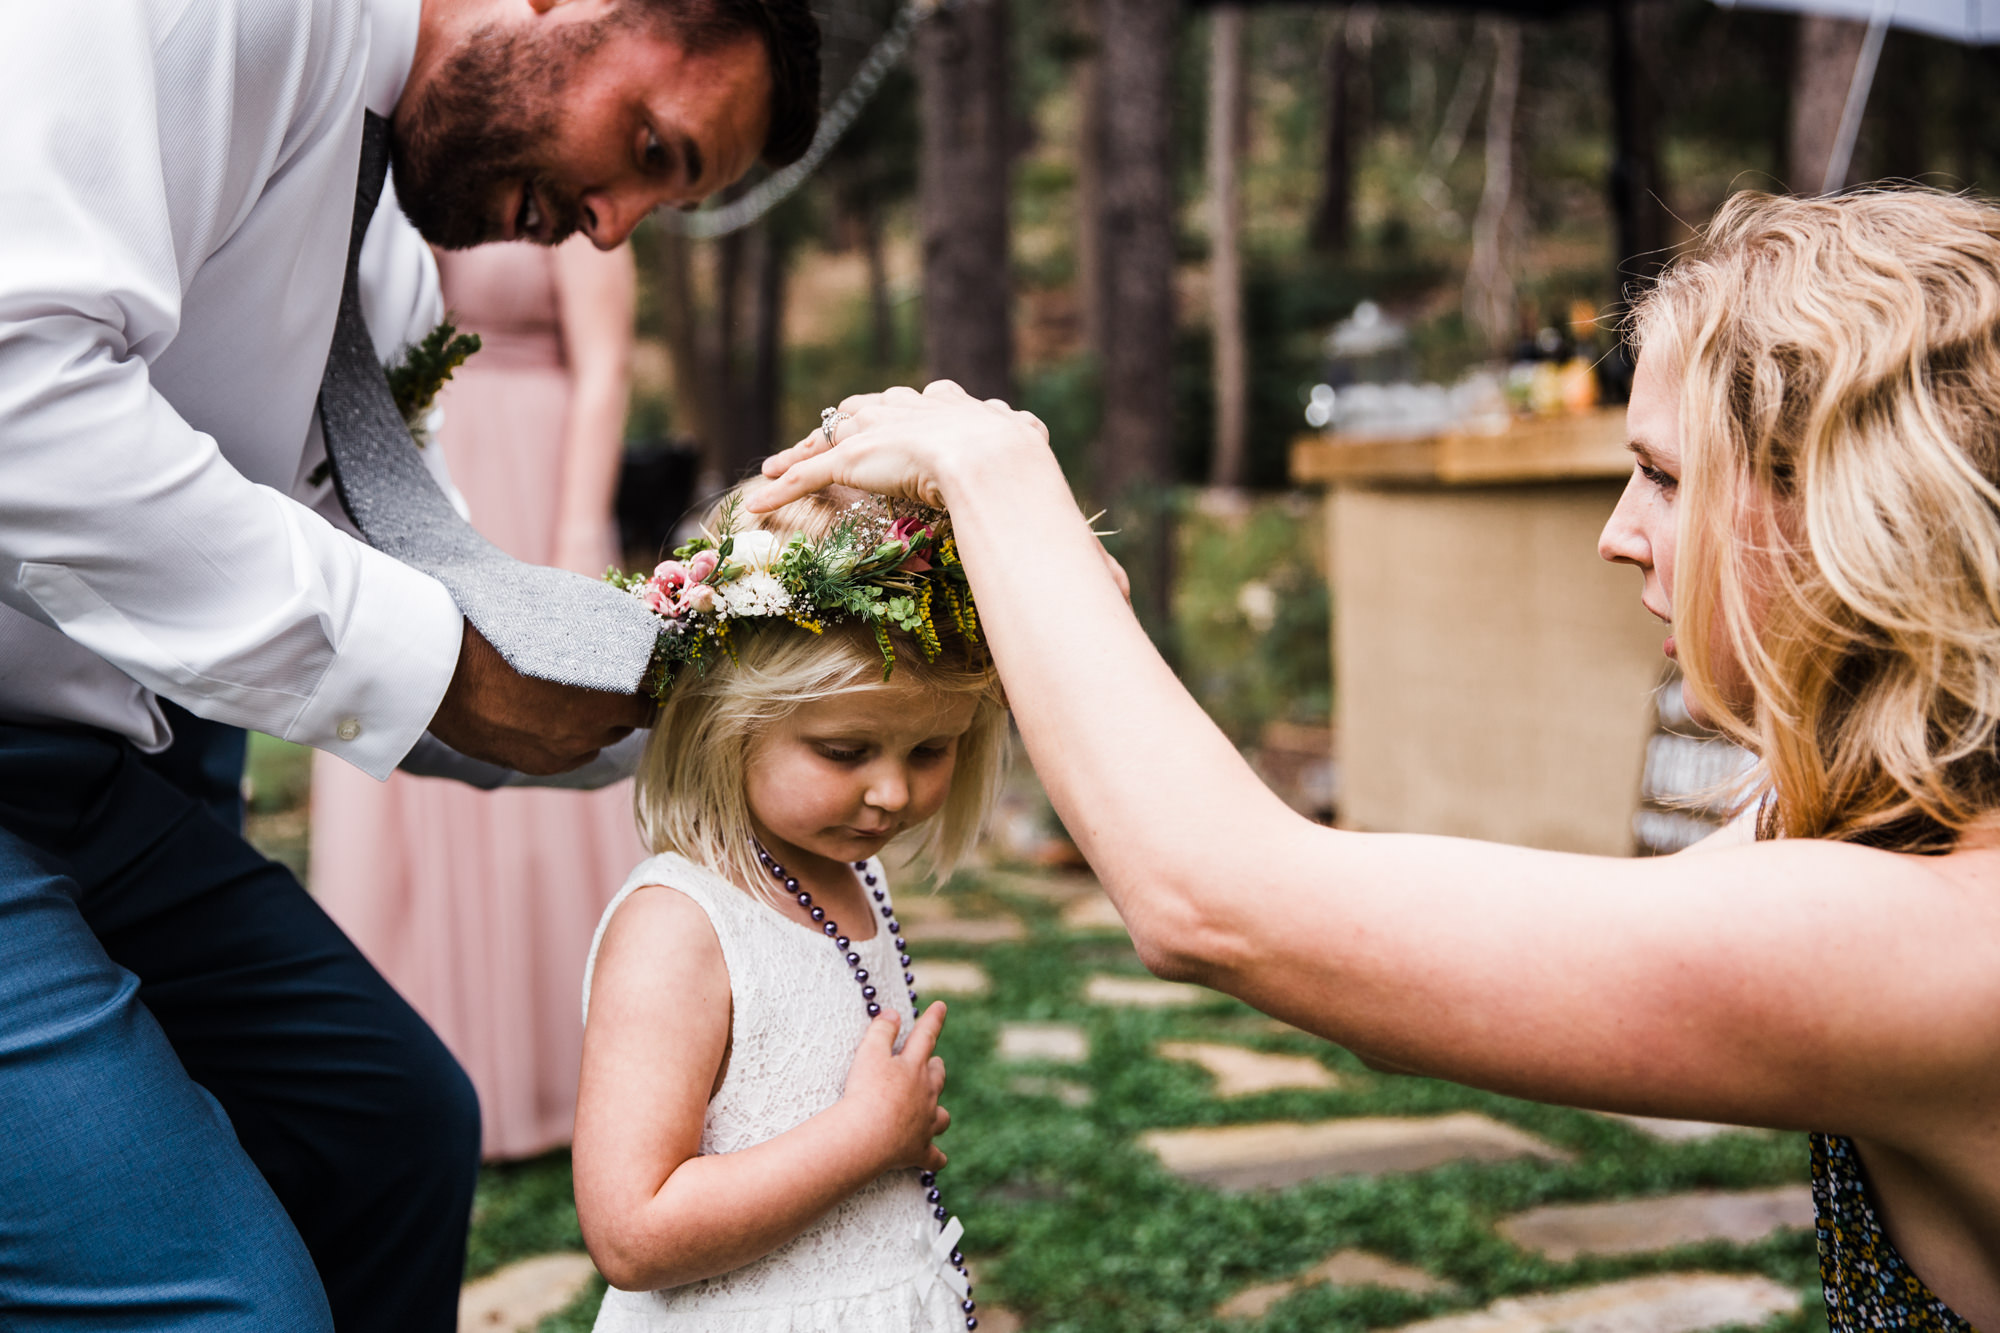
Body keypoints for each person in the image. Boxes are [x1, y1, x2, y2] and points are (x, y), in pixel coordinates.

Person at [755, 189, 2000, 1333]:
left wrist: (994, 466)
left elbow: (1225, 902)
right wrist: (1049, 598)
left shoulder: (1936, 942)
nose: (1619, 536)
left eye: (1665, 477)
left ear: (1854, 511)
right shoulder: (1887, 825)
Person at [0, 0, 818, 1326]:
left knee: (393, 1131)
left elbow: (395, 563)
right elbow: (16, 396)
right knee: (233, 1307)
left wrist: (716, 694)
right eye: (650, 147)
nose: (611, 227)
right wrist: (441, 666)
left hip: (73, 770)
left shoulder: (385, 237)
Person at [571, 484, 1005, 1331]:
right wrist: (868, 1134)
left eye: (930, 749)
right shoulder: (678, 928)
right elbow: (633, 1231)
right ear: (725, 723)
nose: (891, 790)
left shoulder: (851, 876)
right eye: (846, 750)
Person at [311, 235, 648, 1161]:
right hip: (407, 469)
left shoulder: (582, 197)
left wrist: (575, 538)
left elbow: (606, 358)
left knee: (540, 752)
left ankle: (557, 1075)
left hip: (530, 484)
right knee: (402, 742)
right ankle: (422, 1072)